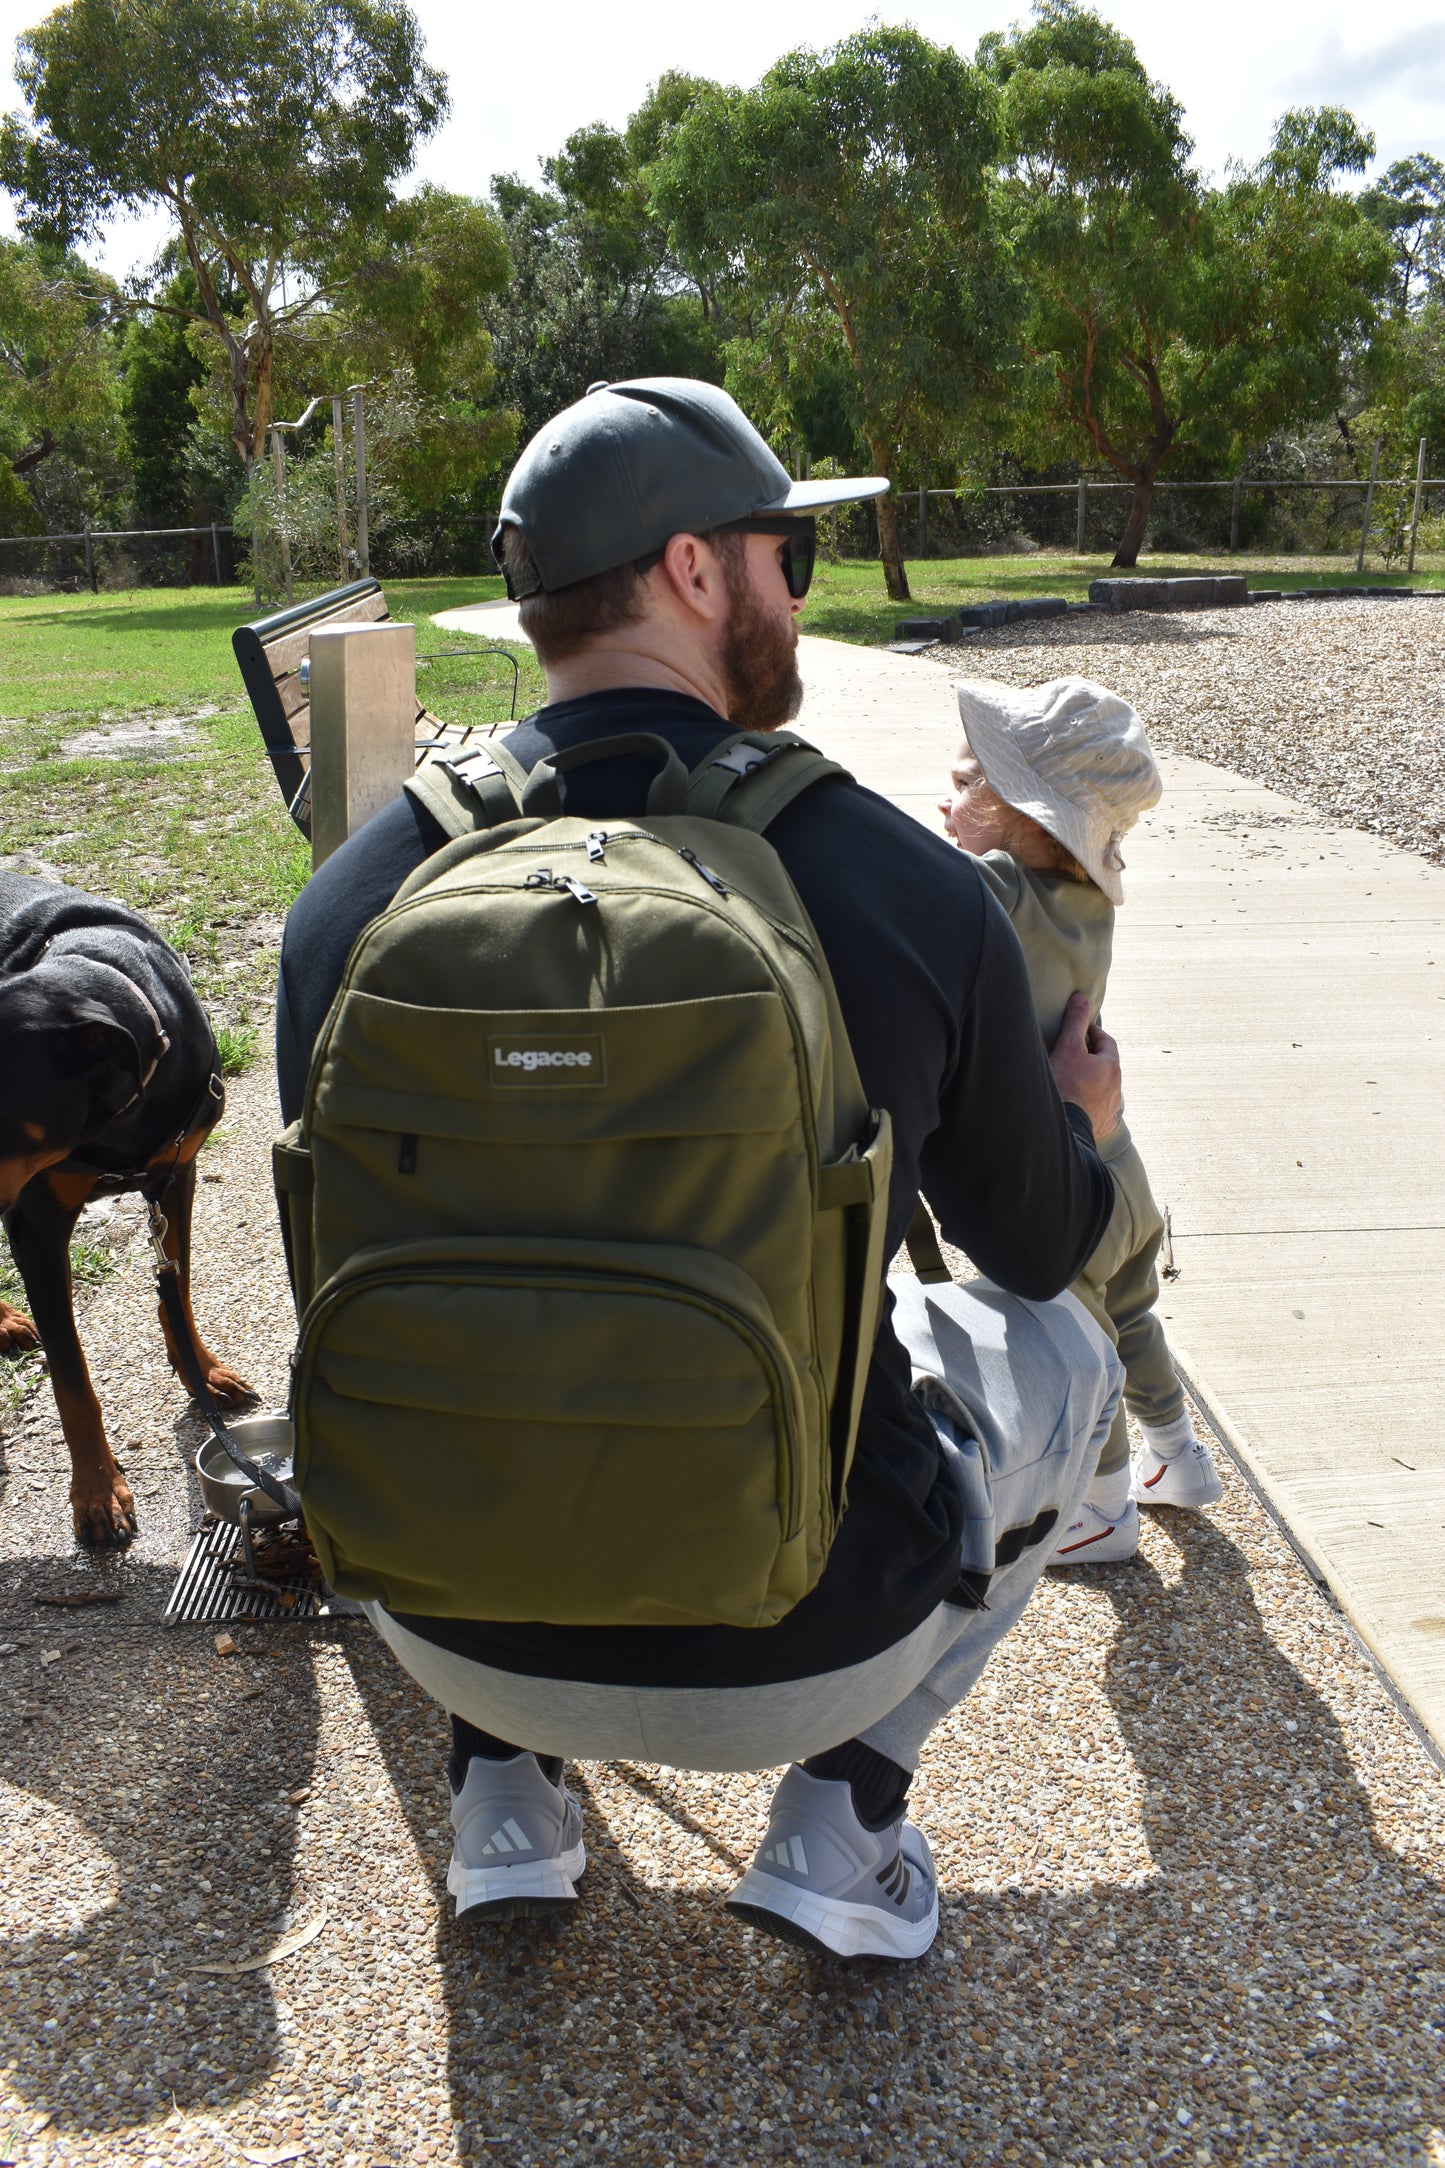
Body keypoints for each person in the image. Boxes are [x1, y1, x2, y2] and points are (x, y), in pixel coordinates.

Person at [276, 378, 1125, 1963]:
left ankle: (503, 1804)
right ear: (689, 569)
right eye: (784, 553)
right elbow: (1032, 1250)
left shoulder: (355, 899)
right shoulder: (905, 887)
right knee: (1068, 1359)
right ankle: (843, 1822)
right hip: (807, 1635)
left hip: (442, 1622)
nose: (795, 590)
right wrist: (1079, 1122)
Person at [939, 675, 1225, 1565]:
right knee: (1132, 1314)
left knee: (1079, 1349)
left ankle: (1099, 1511)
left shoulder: (995, 892)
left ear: (1023, 816)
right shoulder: (1090, 902)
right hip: (1119, 1164)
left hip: (1060, 1181)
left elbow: (909, 895)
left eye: (960, 784)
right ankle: (1177, 1458)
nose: (942, 800)